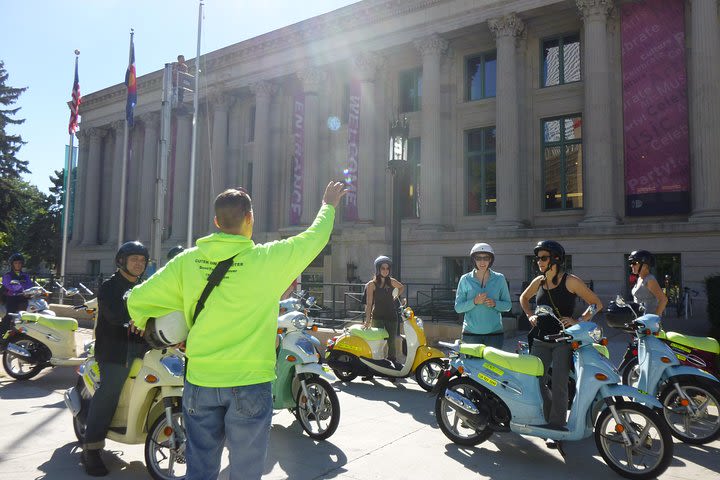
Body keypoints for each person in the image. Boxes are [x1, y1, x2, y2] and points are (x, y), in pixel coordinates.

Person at [127, 181, 347, 480]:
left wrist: (147, 324)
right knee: (245, 472)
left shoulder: (187, 262)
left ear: (216, 222)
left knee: (200, 468)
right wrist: (328, 204)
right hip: (249, 382)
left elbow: (138, 299)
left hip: (201, 380)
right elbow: (314, 238)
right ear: (250, 218)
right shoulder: (267, 260)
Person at [519, 240, 602, 444]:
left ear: (556, 258)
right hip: (540, 339)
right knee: (536, 381)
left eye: (544, 257)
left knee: (559, 383)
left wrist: (579, 321)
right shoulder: (538, 281)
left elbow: (596, 304)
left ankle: (556, 426)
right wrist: (530, 314)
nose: (539, 261)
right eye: (538, 258)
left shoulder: (570, 281)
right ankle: (547, 418)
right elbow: (523, 298)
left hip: (563, 340)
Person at [81, 241, 149, 476]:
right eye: (134, 259)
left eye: (142, 260)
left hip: (141, 348)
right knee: (109, 392)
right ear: (122, 261)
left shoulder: (146, 286)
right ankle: (91, 449)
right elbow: (113, 315)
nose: (139, 264)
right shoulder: (110, 286)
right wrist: (132, 321)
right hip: (114, 351)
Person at [454, 243, 511, 350]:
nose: (482, 262)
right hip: (470, 335)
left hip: (495, 335)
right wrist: (474, 301)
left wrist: (495, 303)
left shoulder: (500, 278)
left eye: (486, 258)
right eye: (478, 258)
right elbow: (458, 308)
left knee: (493, 367)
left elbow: (508, 305)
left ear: (491, 260)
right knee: (471, 367)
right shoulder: (465, 279)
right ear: (473, 260)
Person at [363, 256, 404, 363]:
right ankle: (373, 368)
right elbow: (369, 303)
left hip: (392, 316)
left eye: (387, 268)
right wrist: (368, 320)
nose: (385, 271)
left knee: (391, 343)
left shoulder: (392, 281)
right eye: (383, 268)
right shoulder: (372, 284)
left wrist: (396, 296)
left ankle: (392, 367)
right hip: (377, 317)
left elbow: (401, 287)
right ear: (378, 269)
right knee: (377, 343)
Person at [1, 253, 34, 347]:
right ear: (12, 264)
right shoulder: (8, 275)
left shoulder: (25, 275)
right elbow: (9, 286)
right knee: (9, 316)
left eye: (20, 263)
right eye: (16, 263)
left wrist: (31, 291)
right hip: (12, 298)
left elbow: (29, 286)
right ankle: (2, 337)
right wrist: (21, 289)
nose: (18, 265)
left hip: (24, 298)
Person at [629, 250, 667, 316]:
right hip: (639, 320)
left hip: (647, 322)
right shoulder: (640, 279)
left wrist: (654, 319)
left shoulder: (649, 279)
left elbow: (663, 300)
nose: (632, 265)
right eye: (631, 263)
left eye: (634, 263)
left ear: (645, 265)